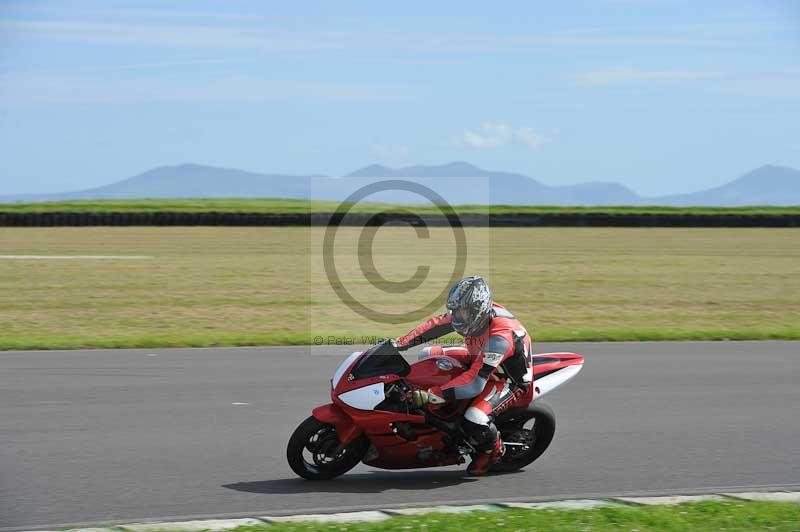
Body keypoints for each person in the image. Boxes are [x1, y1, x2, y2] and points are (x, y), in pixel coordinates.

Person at [395, 275, 533, 476]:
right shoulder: (471, 312)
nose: (457, 317)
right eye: (456, 311)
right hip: (478, 356)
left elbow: (474, 383)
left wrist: (432, 394)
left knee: (474, 418)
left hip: (506, 379)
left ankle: (492, 452)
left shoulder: (500, 339)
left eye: (463, 313)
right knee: (427, 356)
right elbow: (436, 325)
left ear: (478, 311)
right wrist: (401, 343)